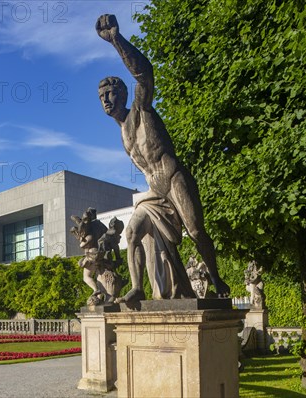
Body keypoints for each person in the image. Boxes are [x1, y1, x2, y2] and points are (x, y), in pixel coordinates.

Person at [96, 14, 230, 303]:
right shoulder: (123, 136)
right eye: (101, 96)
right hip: (155, 193)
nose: (106, 99)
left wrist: (116, 40)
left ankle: (217, 278)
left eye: (110, 93)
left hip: (174, 178)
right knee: (131, 232)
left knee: (196, 231)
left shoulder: (141, 110)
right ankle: (138, 288)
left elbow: (145, 73)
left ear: (122, 94)